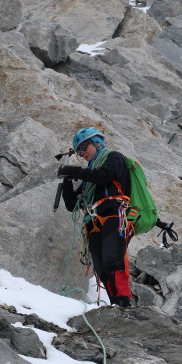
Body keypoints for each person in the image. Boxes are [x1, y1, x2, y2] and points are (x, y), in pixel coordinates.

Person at [57, 127, 133, 307]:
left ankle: (123, 302)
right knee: (101, 266)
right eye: (79, 151)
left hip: (115, 212)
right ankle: (116, 303)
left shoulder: (114, 158)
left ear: (97, 142)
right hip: (94, 221)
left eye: (84, 147)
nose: (82, 153)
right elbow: (71, 204)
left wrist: (73, 171)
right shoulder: (88, 179)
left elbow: (104, 176)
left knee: (112, 260)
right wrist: (67, 181)